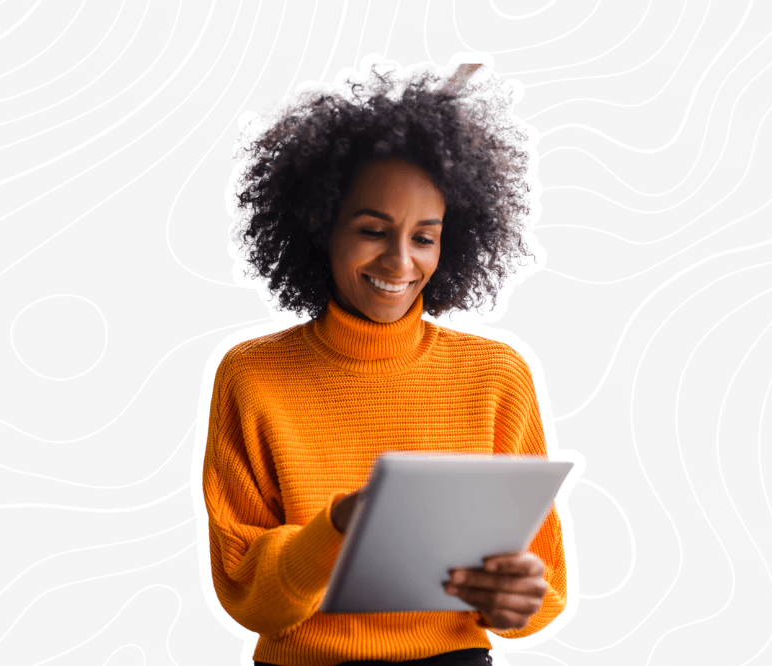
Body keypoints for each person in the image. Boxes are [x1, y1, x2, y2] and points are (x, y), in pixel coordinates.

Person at [203, 62, 565, 666]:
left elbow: (544, 581)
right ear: (321, 226)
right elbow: (248, 595)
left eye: (425, 236)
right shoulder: (253, 376)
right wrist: (339, 526)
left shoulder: (496, 375)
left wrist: (520, 599)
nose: (400, 261)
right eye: (374, 230)